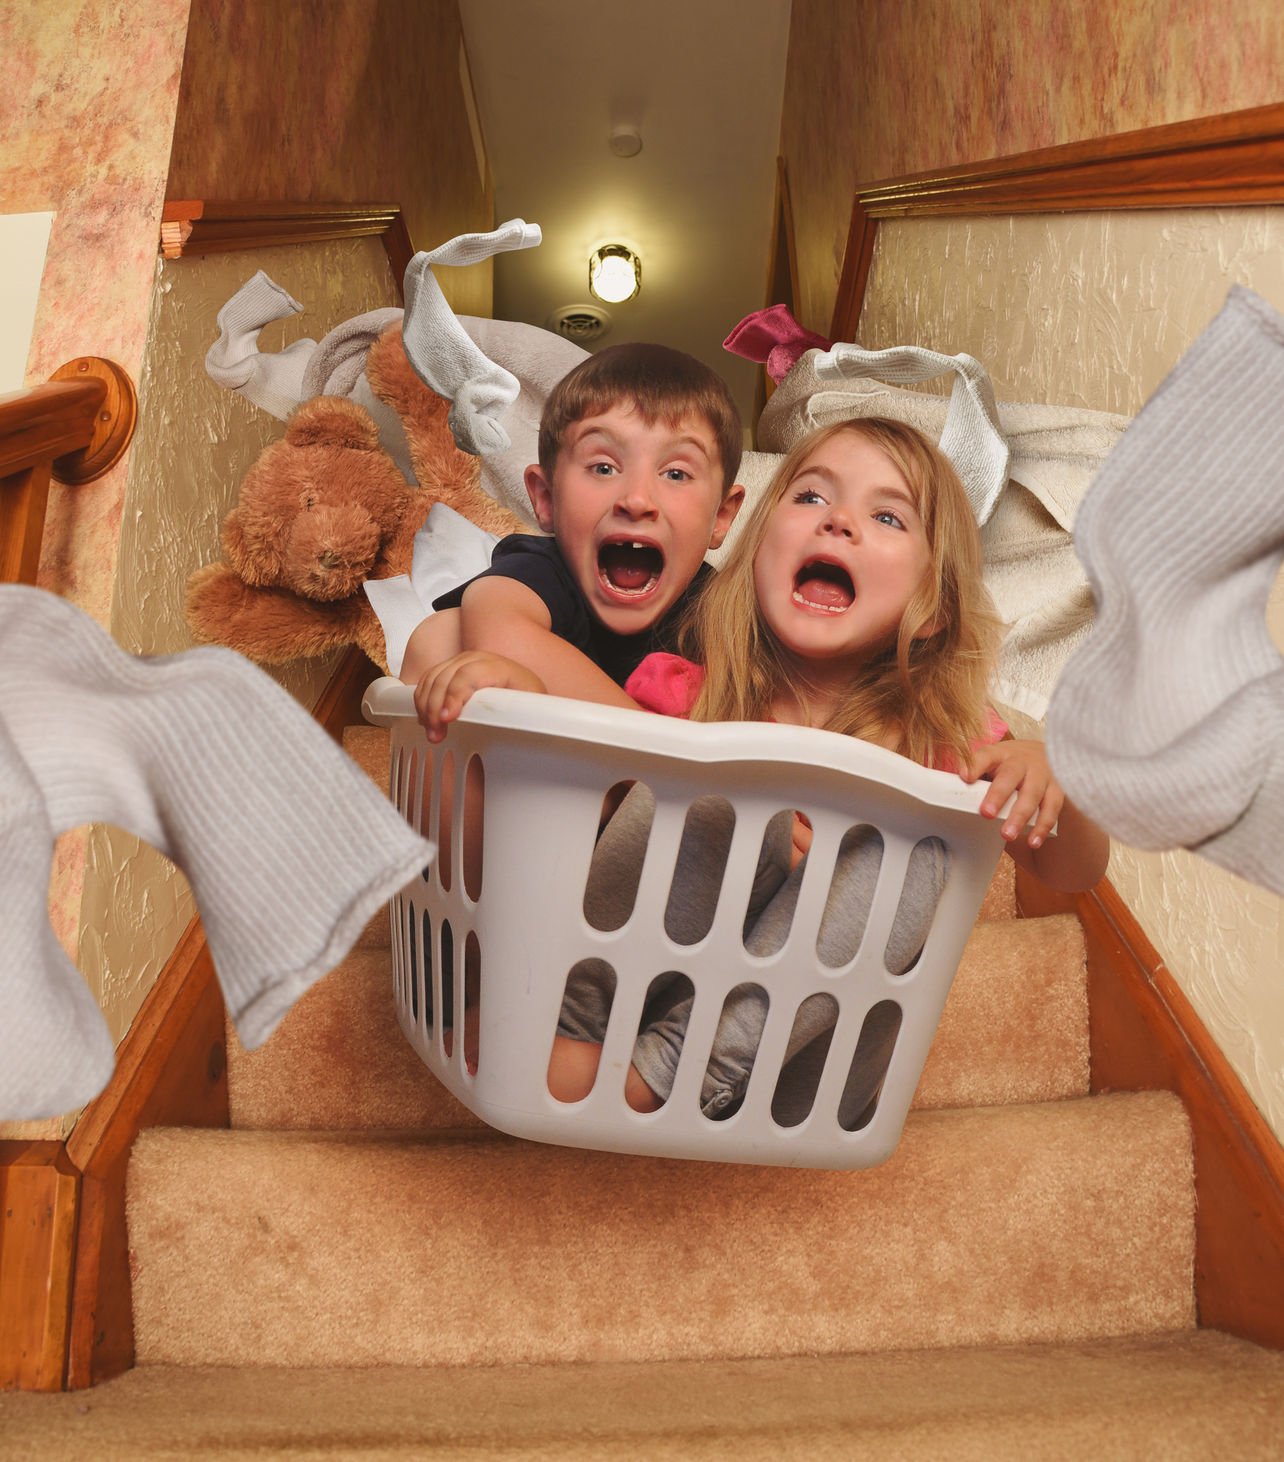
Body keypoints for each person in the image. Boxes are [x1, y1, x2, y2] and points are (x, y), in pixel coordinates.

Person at [416, 417, 1109, 1114]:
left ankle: (663, 1076)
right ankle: (574, 1028)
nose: (837, 522)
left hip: (794, 1075)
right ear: (755, 552)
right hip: (610, 1017)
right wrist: (517, 688)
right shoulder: (682, 691)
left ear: (932, 609)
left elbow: (1075, 871)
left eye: (888, 515)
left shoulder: (950, 742)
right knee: (708, 792)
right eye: (809, 498)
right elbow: (581, 797)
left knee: (916, 843)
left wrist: (1051, 777)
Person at [400, 341, 746, 726]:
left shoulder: (717, 608)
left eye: (676, 474)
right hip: (530, 775)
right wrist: (665, 750)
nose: (636, 499)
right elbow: (499, 627)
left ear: (721, 516)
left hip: (658, 783)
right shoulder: (543, 569)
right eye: (603, 468)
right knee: (442, 638)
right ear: (546, 499)